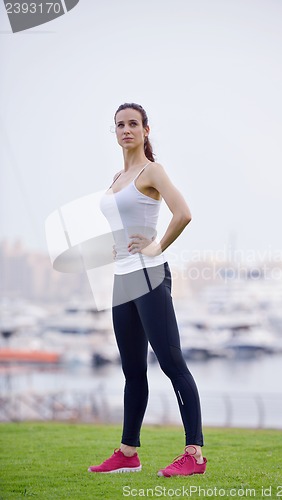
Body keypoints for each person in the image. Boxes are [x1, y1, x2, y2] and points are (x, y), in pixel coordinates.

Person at [88, 103, 207, 477]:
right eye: (120, 125)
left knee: (172, 363)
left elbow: (183, 213)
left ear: (146, 129)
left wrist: (156, 247)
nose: (126, 130)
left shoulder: (151, 170)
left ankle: (195, 455)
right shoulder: (117, 177)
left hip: (150, 276)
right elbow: (123, 222)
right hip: (123, 278)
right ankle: (127, 453)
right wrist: (115, 245)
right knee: (132, 370)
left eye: (133, 124)